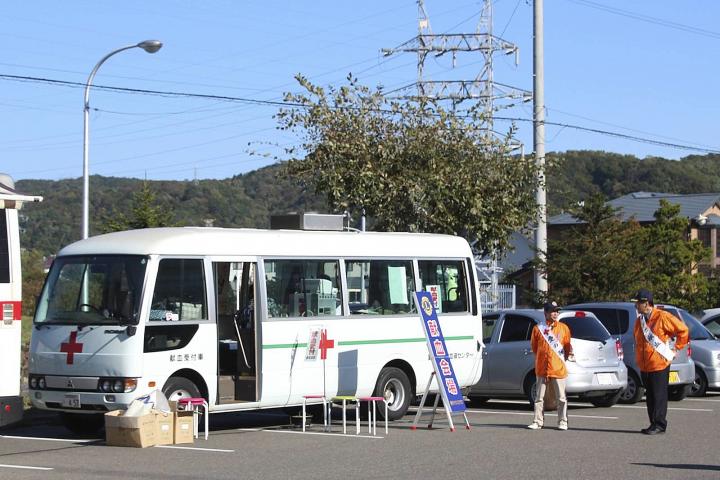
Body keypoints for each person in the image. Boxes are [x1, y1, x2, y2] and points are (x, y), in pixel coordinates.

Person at [632, 289, 689, 435]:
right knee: (650, 396)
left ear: (646, 303)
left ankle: (660, 424)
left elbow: (683, 330)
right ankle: (653, 423)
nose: (636, 306)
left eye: (638, 303)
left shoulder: (662, 317)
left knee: (659, 395)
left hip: (659, 363)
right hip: (645, 365)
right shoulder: (640, 321)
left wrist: (676, 348)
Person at [527, 300, 574, 431]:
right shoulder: (538, 329)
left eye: (557, 311)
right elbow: (535, 348)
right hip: (542, 368)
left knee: (561, 398)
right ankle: (537, 421)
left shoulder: (564, 328)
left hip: (558, 368)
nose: (555, 313)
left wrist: (561, 360)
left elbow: (567, 347)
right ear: (546, 313)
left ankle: (562, 421)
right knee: (538, 398)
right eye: (553, 311)